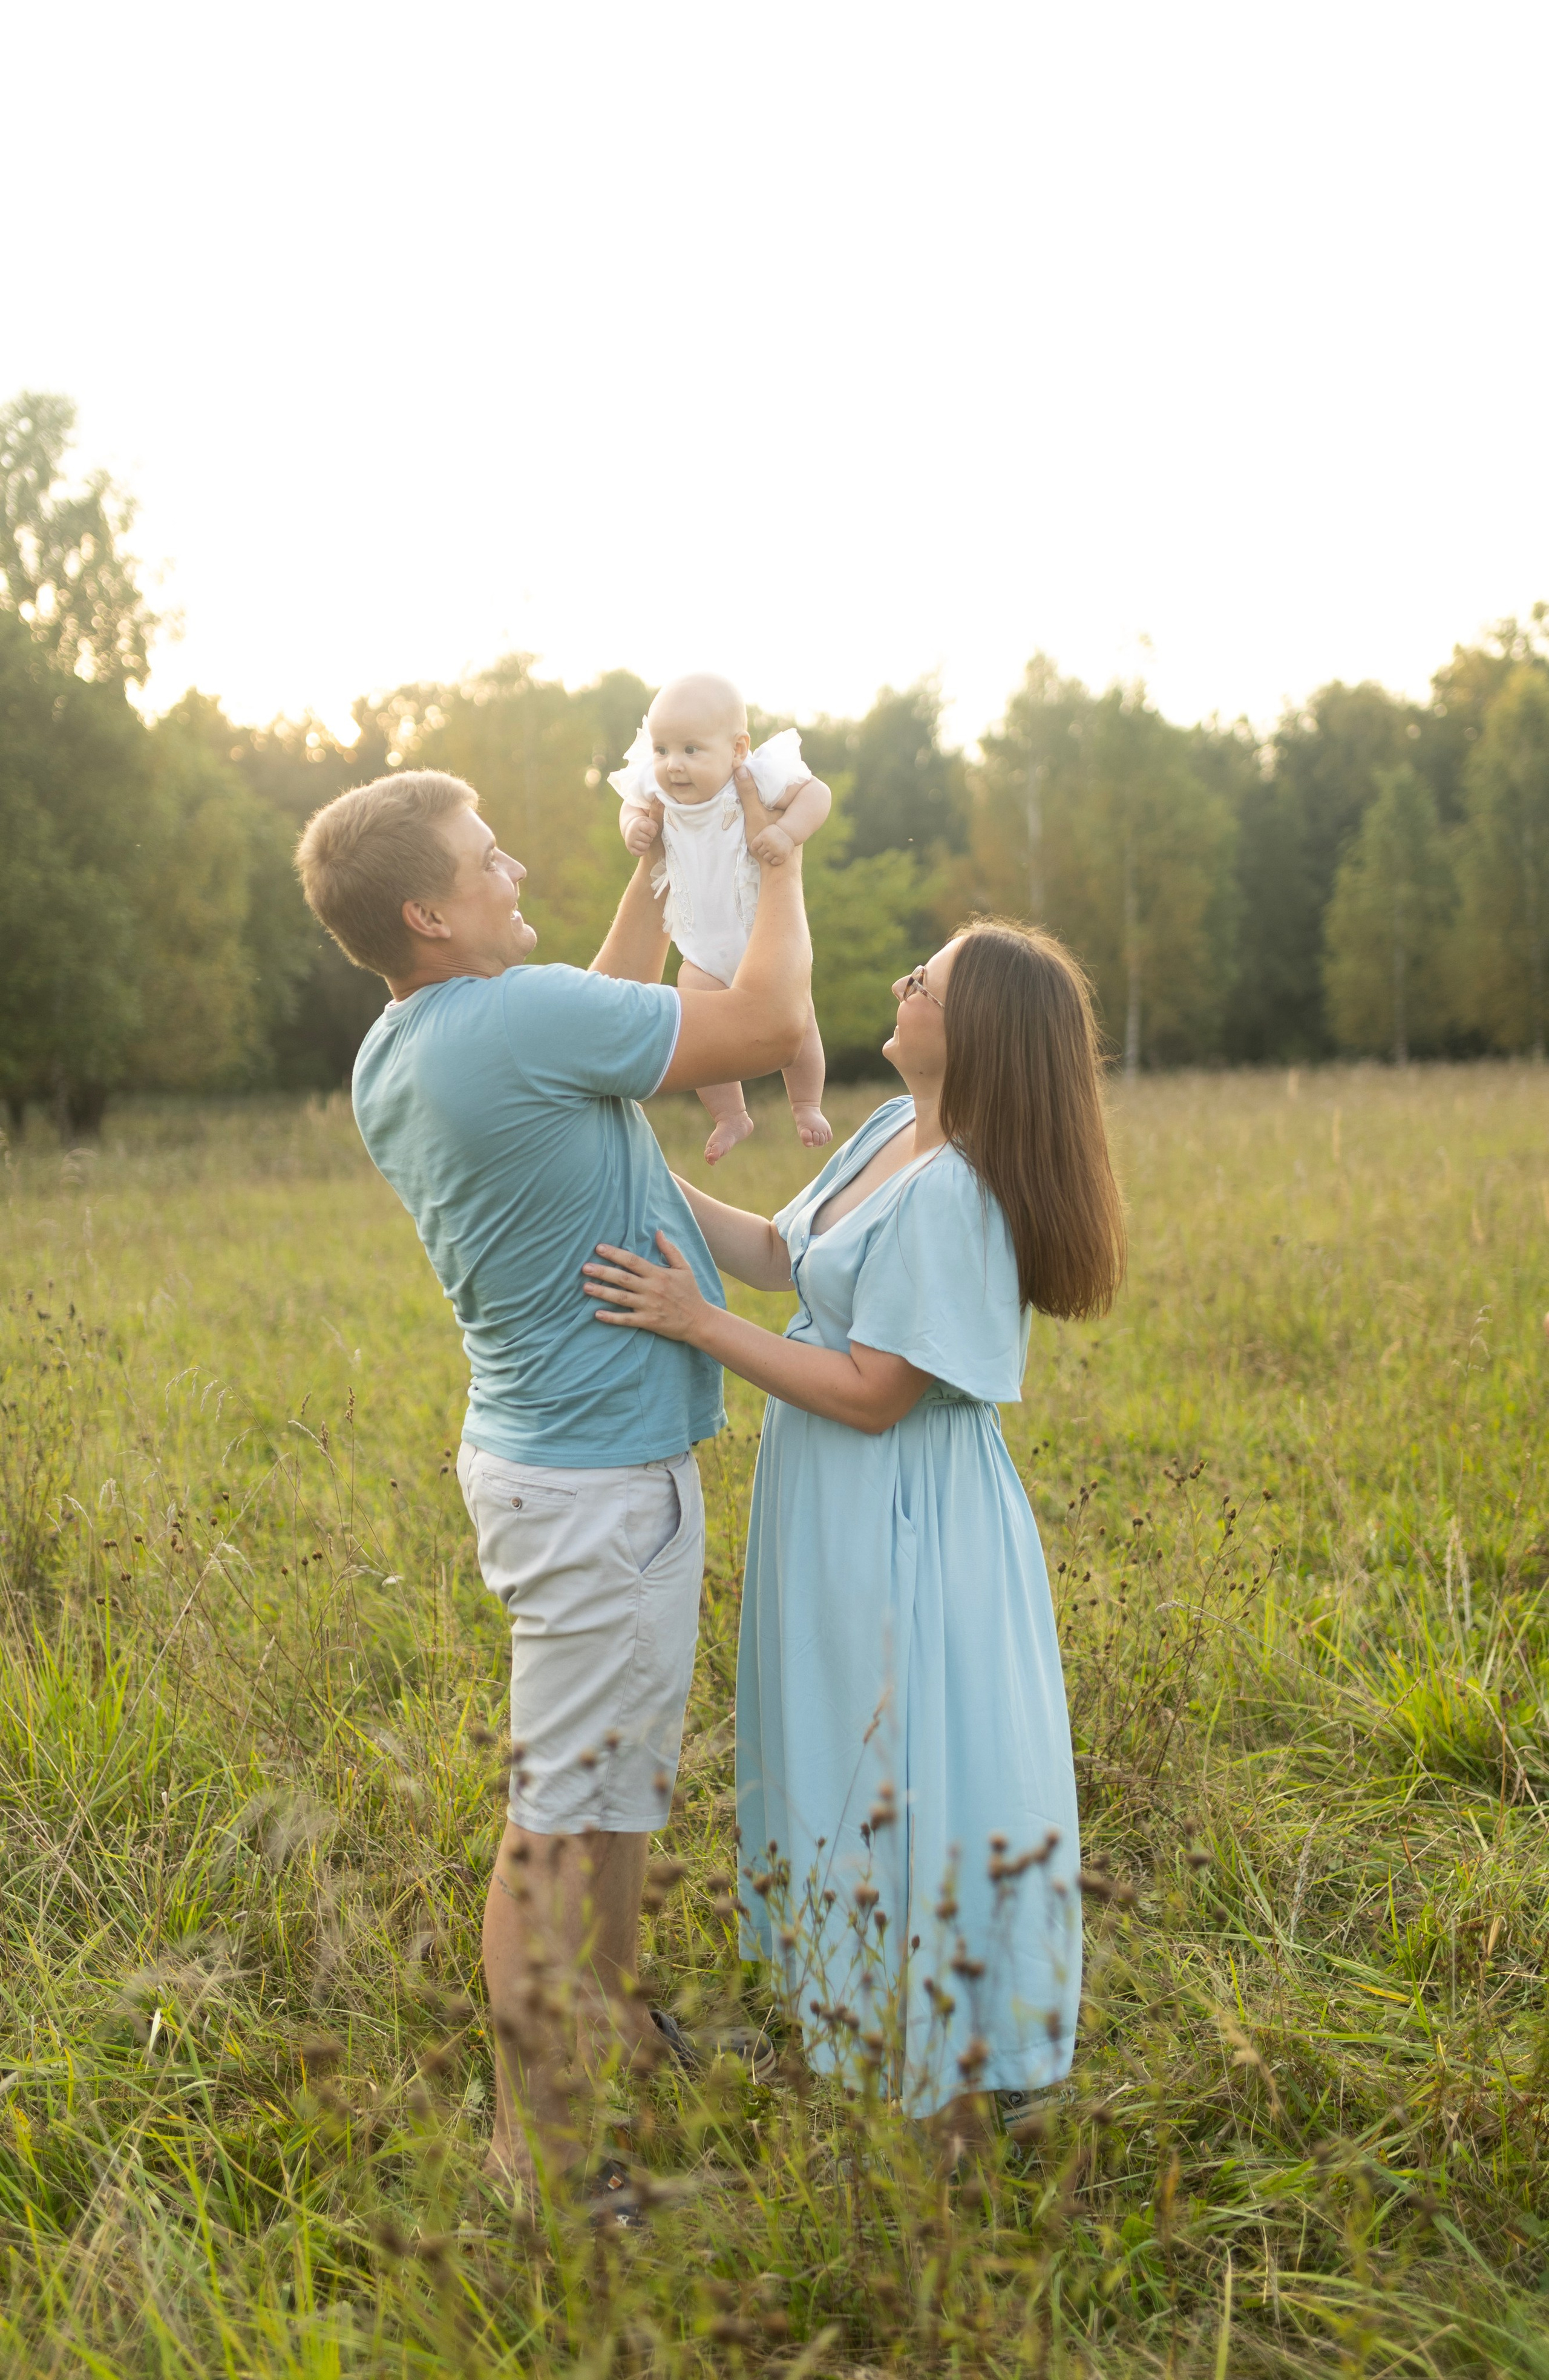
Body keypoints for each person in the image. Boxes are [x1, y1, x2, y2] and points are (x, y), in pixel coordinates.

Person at [292, 764, 812, 2197]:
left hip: (581, 1468)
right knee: (551, 1821)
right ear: (426, 911)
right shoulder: (512, 1023)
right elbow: (764, 1024)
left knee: (620, 1784)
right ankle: (533, 2145)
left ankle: (624, 2010)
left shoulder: (411, 1039)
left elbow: (580, 1021)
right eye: (484, 858)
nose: (512, 863)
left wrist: (649, 873)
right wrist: (769, 862)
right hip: (589, 1488)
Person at [582, 922, 1125, 2147]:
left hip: (903, 1515)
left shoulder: (961, 1193)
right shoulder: (888, 1135)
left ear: (974, 1030)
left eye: (924, 980)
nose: (900, 982)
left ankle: (947, 2072)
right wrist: (623, 1154)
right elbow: (782, 1253)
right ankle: (864, 2019)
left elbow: (878, 1391)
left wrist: (692, 1323)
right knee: (840, 1748)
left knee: (909, 1764)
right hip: (830, 1504)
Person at [611, 672, 833, 1161]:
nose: (673, 765)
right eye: (663, 749)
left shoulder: (755, 776)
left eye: (692, 750)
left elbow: (818, 795)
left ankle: (806, 1104)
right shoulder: (657, 783)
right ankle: (731, 1115)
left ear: (737, 749)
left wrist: (789, 832)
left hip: (762, 932)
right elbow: (629, 805)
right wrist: (636, 827)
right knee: (700, 1028)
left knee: (800, 1021)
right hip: (701, 945)